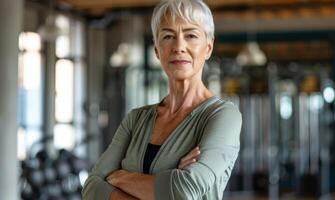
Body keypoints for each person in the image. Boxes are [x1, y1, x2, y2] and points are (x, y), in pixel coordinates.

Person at [82, 0, 242, 199]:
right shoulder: (136, 119)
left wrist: (120, 177)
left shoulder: (222, 116)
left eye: (191, 35)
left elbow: (185, 190)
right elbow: (91, 188)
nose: (179, 46)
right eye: (168, 36)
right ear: (157, 50)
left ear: (208, 48)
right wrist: (169, 182)